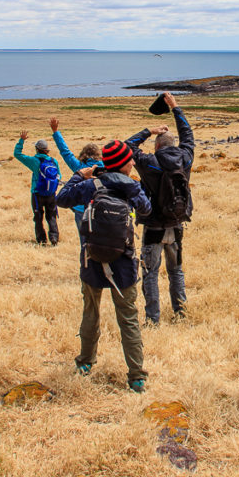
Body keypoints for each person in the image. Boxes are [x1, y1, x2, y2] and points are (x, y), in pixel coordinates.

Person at [56, 140, 151, 393]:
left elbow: (62, 199)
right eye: (130, 160)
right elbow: (146, 209)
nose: (133, 163)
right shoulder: (133, 187)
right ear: (122, 164)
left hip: (92, 260)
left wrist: (80, 174)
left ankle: (86, 363)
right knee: (128, 318)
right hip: (125, 263)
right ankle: (136, 376)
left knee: (91, 312)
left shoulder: (92, 184)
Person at [126, 92, 194, 325]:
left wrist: (149, 130)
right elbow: (188, 135)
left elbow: (127, 147)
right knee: (176, 272)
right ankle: (181, 313)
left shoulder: (149, 162)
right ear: (174, 145)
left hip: (154, 225)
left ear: (156, 146)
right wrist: (175, 107)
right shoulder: (186, 158)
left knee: (151, 273)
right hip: (176, 223)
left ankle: (153, 319)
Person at [50, 117, 103, 243]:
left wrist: (55, 131)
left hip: (80, 209)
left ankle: (85, 260)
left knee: (84, 242)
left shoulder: (78, 166)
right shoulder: (105, 167)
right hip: (101, 207)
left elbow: (65, 151)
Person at [14, 131, 61, 245]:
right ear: (47, 150)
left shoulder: (34, 161)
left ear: (37, 149)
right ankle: (54, 238)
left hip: (37, 193)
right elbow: (59, 176)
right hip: (51, 193)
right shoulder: (53, 161)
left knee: (38, 217)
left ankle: (41, 240)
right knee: (51, 216)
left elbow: (17, 154)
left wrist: (21, 140)